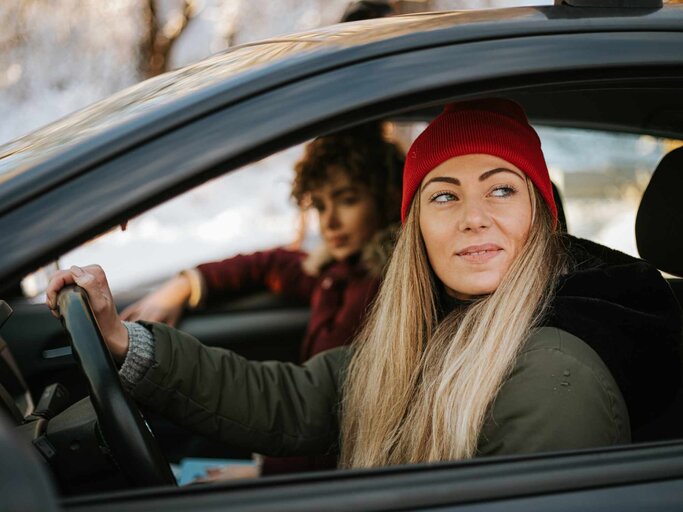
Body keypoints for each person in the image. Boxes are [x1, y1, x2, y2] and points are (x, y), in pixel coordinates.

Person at [46, 98, 682, 470]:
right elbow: (294, 399)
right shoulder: (440, 327)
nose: (473, 217)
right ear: (415, 230)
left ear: (540, 217)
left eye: (501, 189)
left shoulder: (552, 372)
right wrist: (129, 344)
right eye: (444, 196)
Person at [116, 122, 404, 475]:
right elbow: (268, 264)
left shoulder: (395, 287)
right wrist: (184, 285)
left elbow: (346, 417)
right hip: (302, 453)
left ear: (385, 197)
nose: (329, 221)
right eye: (320, 204)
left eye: (347, 200)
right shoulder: (334, 273)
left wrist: (261, 476)